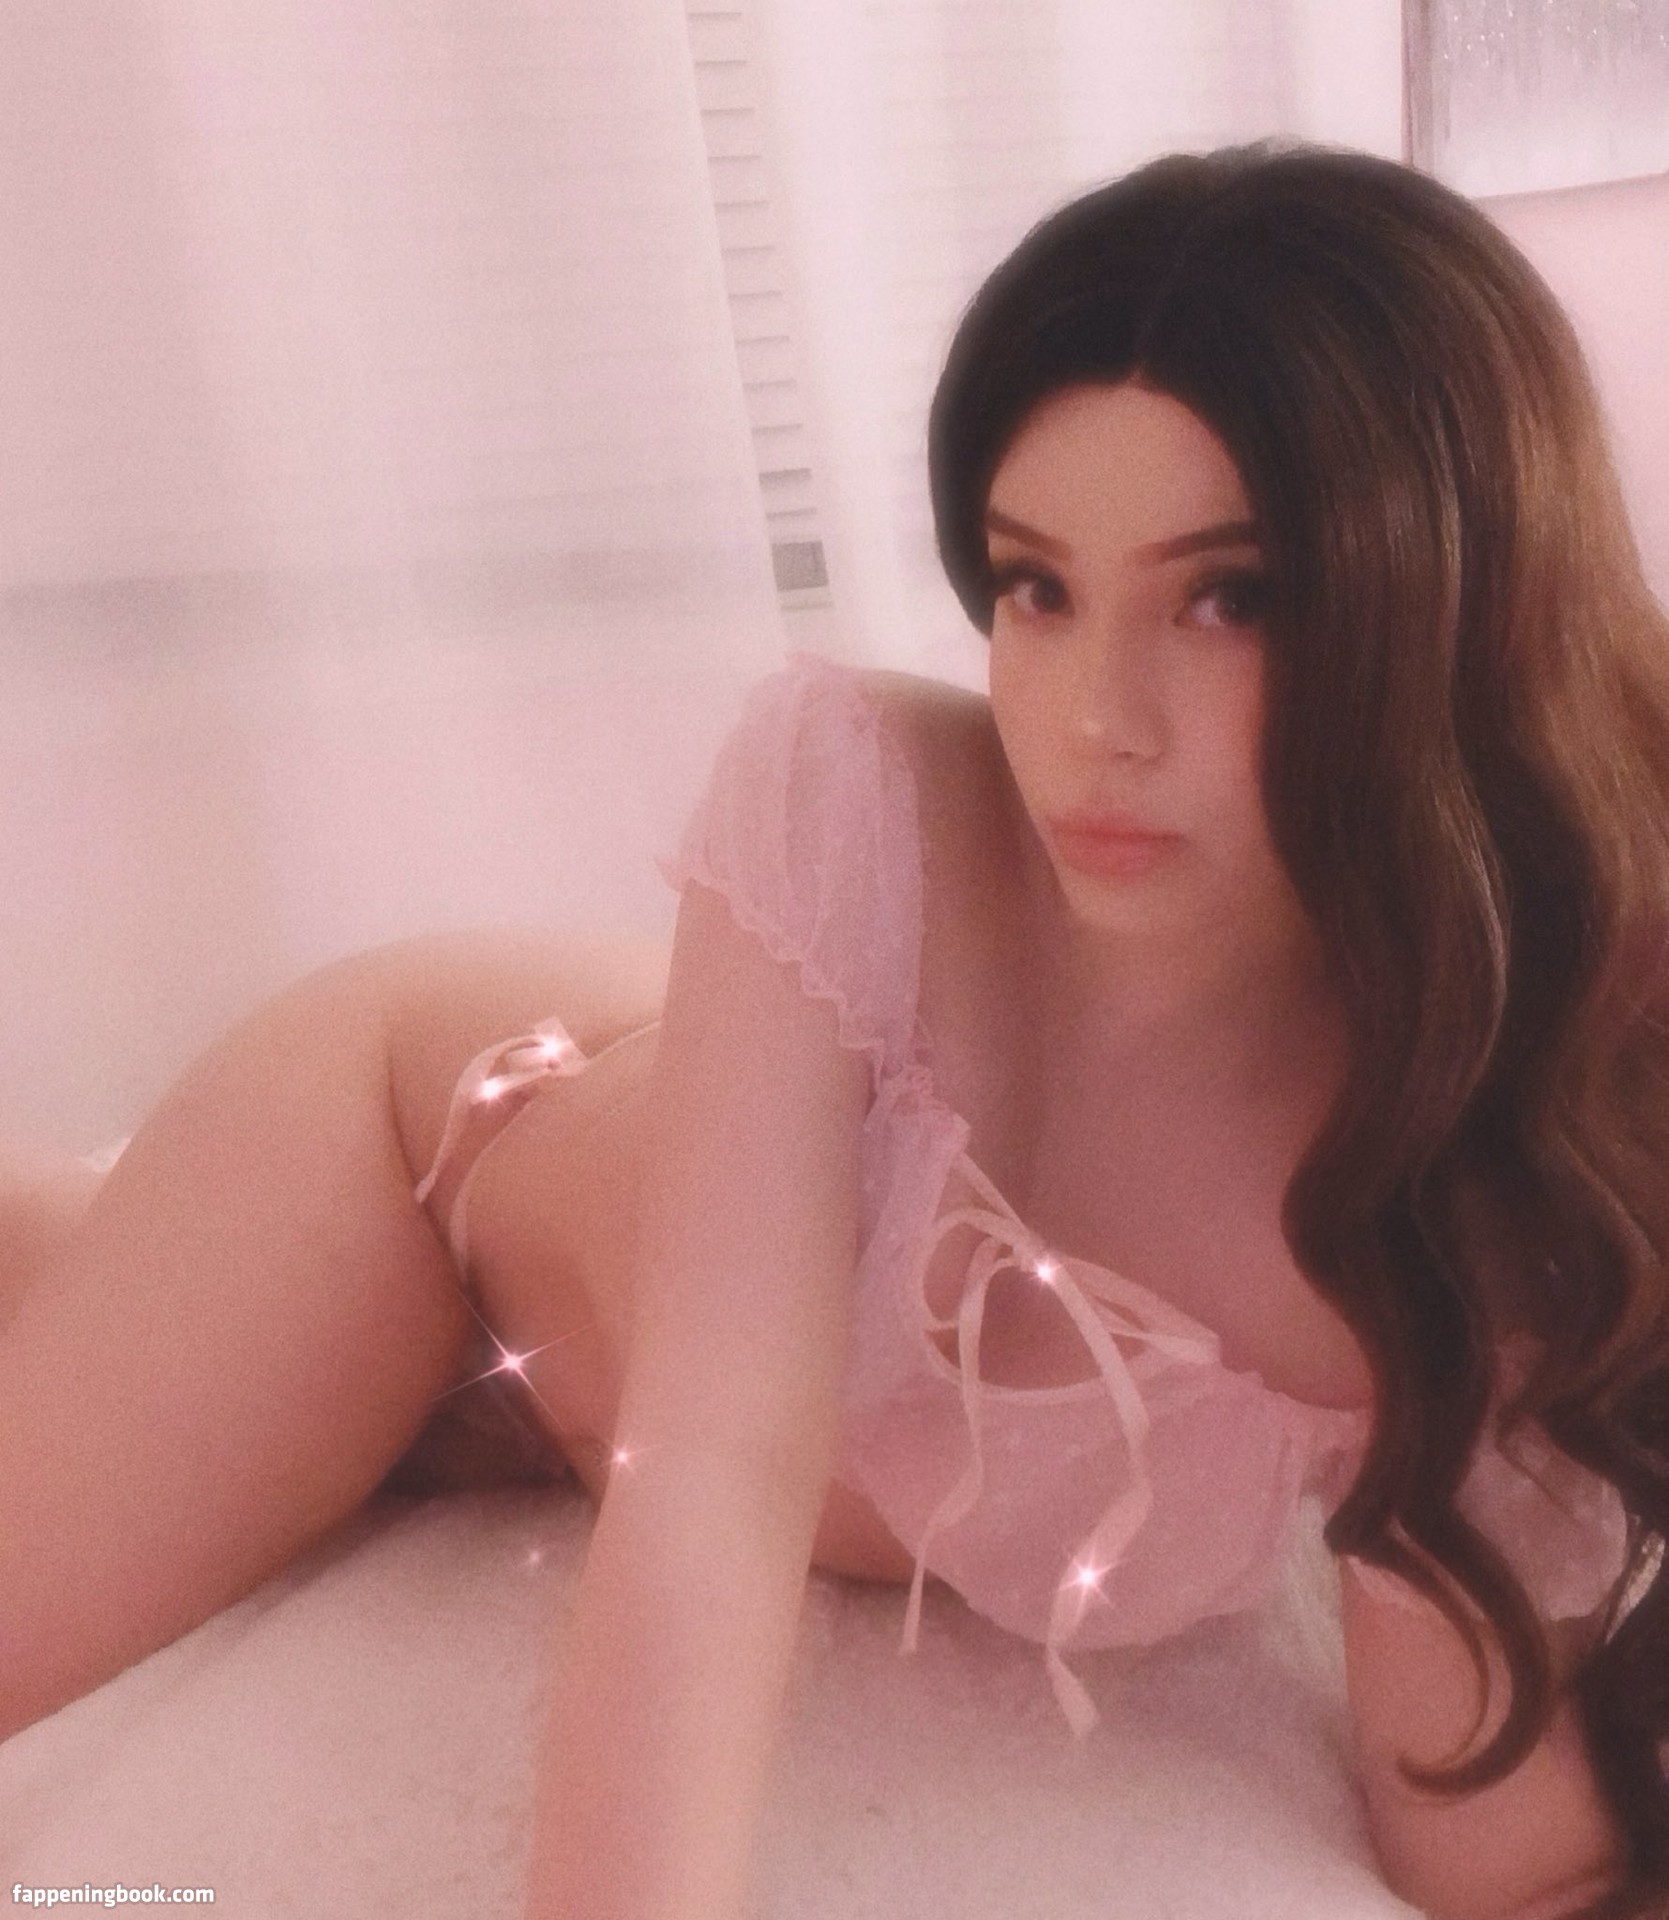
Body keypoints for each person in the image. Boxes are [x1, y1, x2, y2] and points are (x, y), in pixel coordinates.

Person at [1, 136, 1665, 1920]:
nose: (1092, 721)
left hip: (589, 1336)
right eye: (1032, 586)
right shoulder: (862, 793)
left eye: (1228, 597)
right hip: (434, 1186)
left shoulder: (1506, 1093)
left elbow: (1481, 1846)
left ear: (1458, 609)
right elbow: (709, 1490)